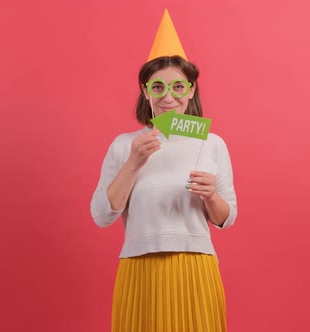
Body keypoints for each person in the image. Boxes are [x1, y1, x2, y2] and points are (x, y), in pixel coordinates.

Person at [90, 10, 237, 332]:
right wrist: (133, 163)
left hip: (195, 263)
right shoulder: (125, 145)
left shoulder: (211, 143)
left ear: (192, 89)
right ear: (145, 91)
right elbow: (102, 216)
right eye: (158, 87)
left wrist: (211, 195)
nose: (169, 97)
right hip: (140, 264)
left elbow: (226, 218)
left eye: (178, 87)